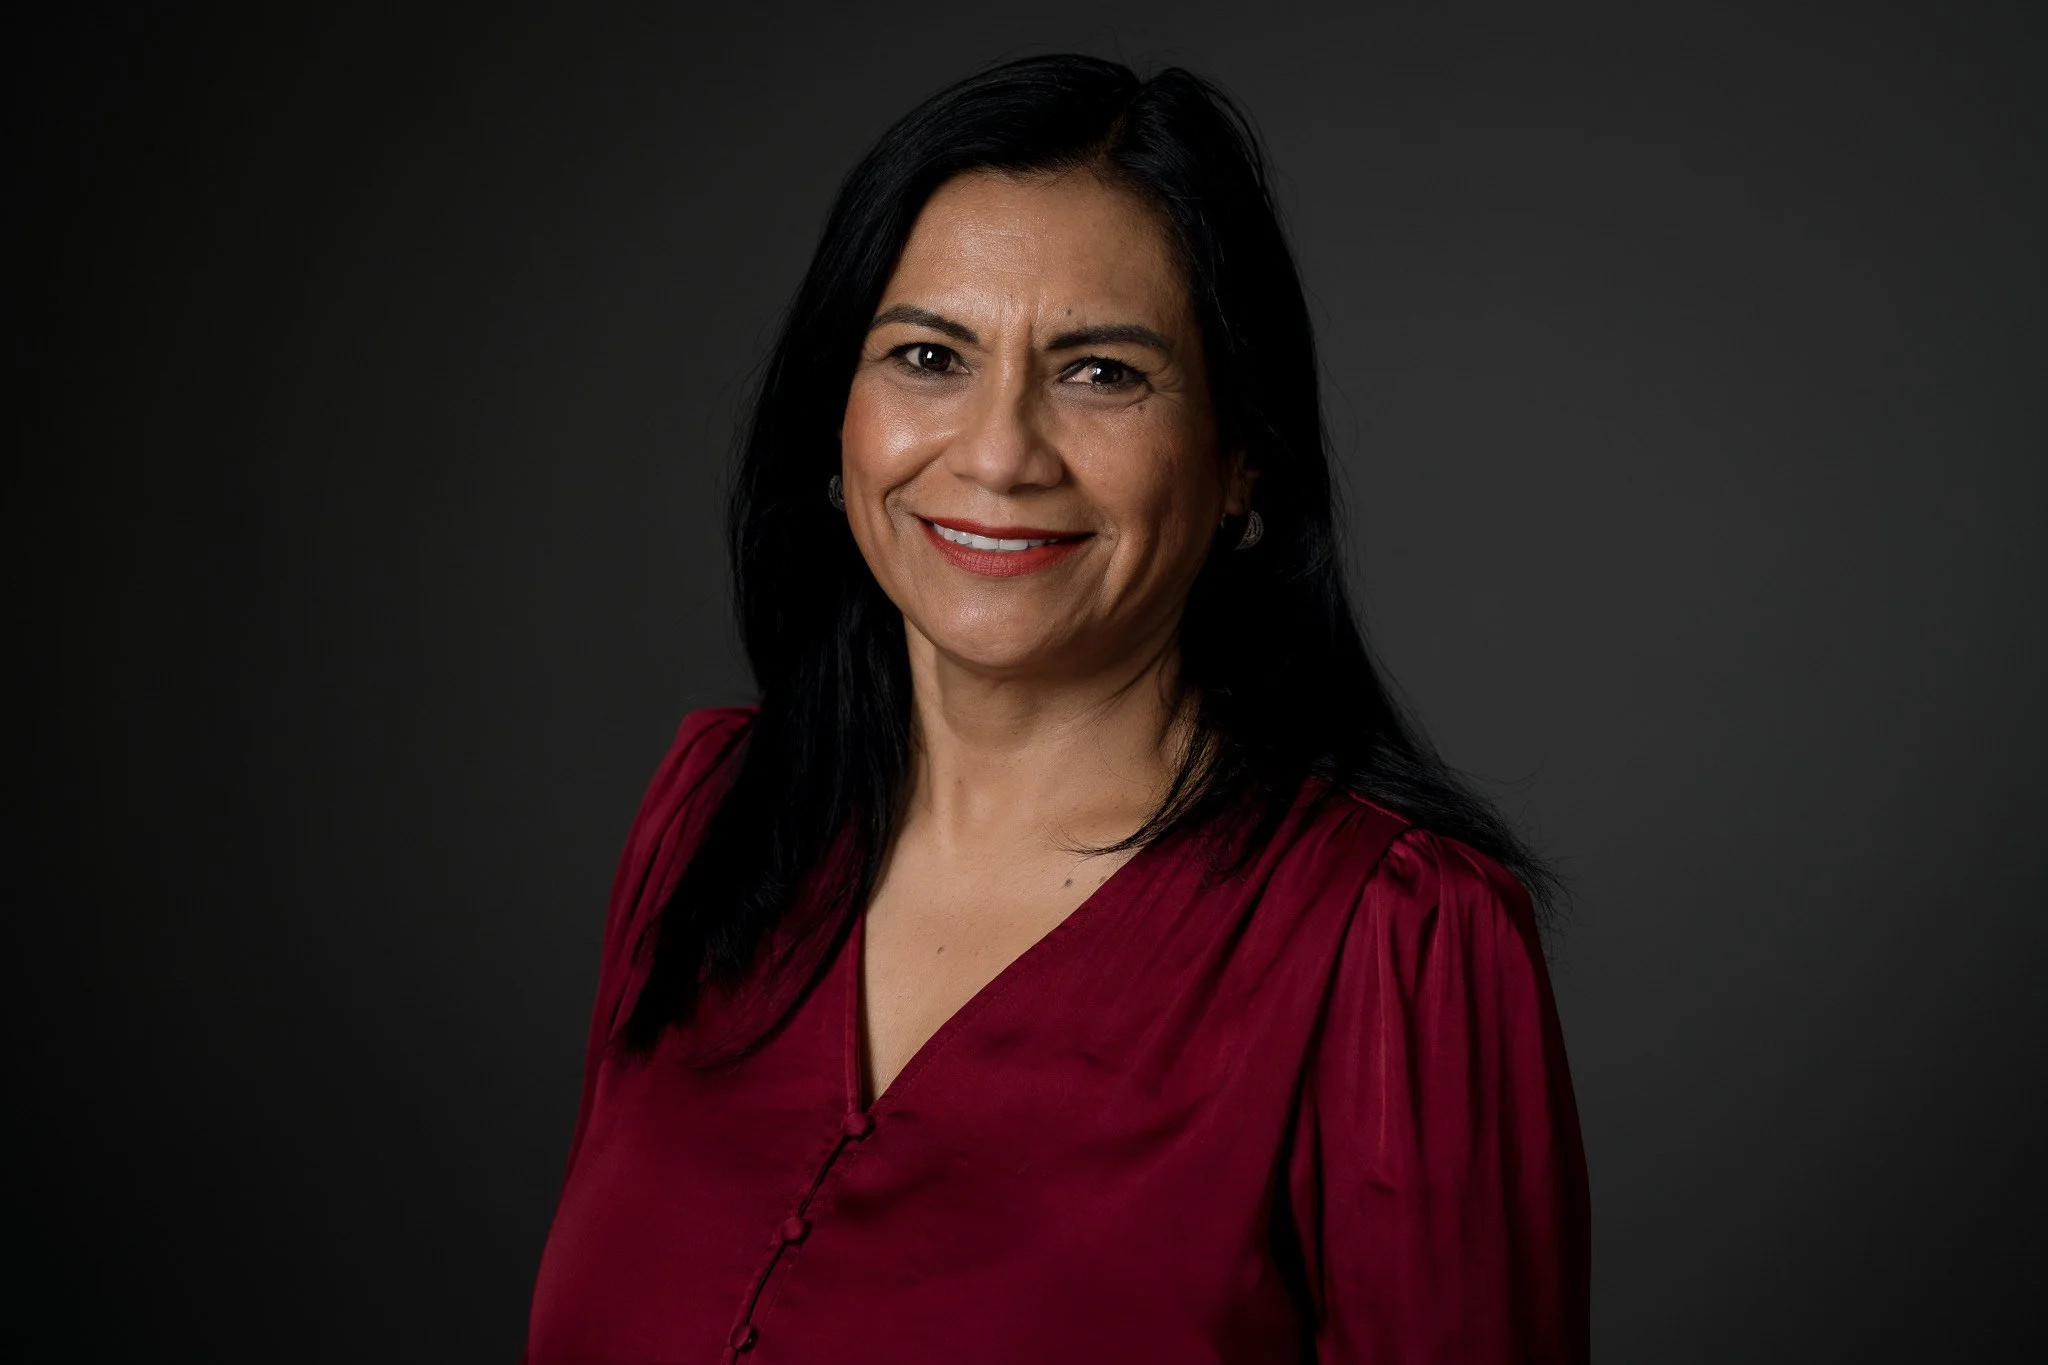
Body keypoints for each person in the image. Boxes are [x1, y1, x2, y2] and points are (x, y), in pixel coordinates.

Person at [525, 54, 1589, 1364]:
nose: (998, 455)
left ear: (1241, 457)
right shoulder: (712, 814)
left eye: (1100, 374)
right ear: (833, 417)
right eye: (928, 357)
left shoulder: (1395, 940)